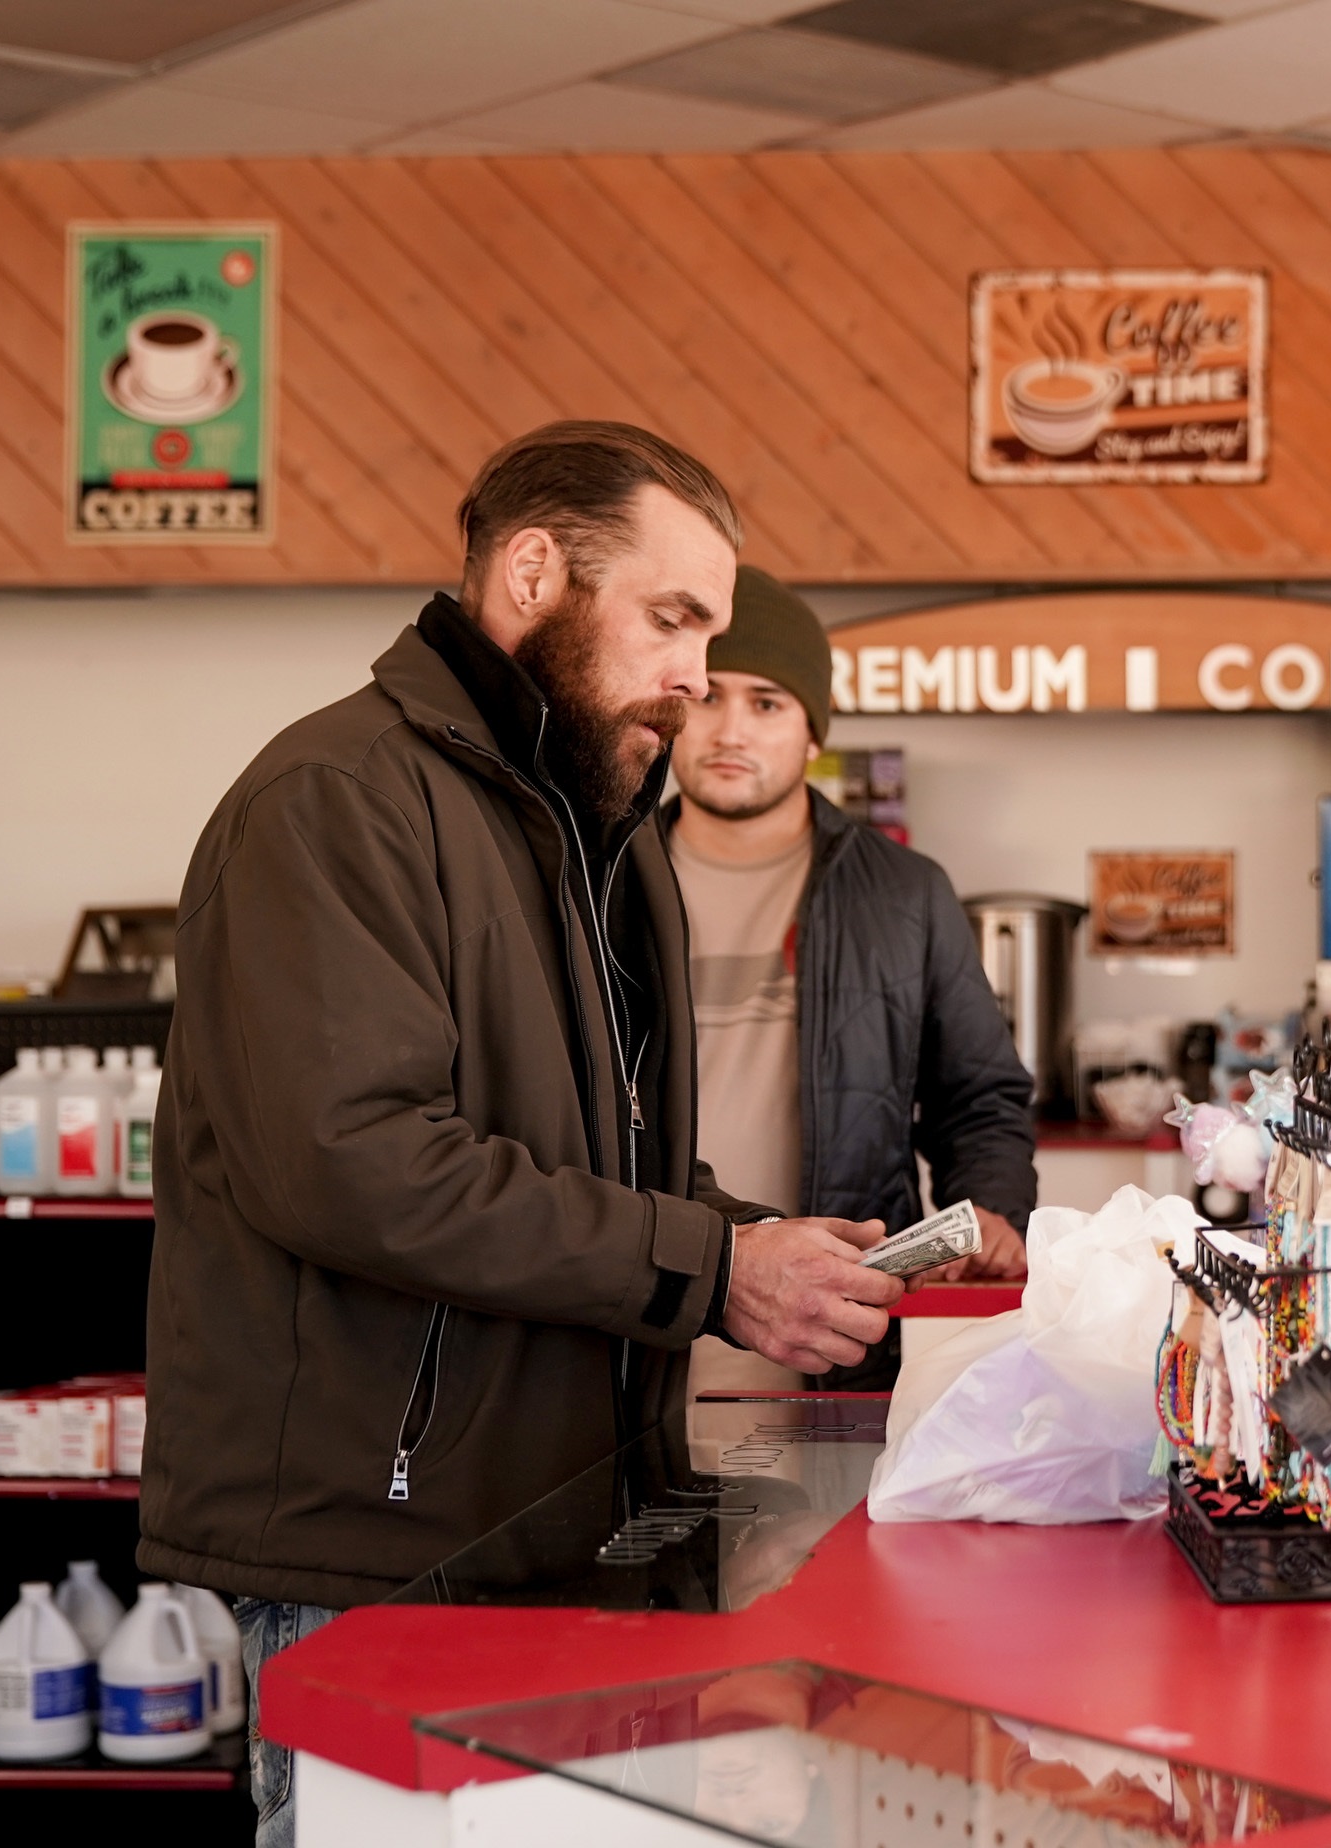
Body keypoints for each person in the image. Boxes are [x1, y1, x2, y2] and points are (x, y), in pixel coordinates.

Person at [143, 423, 904, 1847]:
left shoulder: (595, 834)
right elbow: (354, 1162)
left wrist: (754, 1244)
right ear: (533, 572)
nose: (696, 678)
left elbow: (595, 1163)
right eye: (672, 620)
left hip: (561, 1528)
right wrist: (711, 1271)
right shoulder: (337, 804)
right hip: (370, 1555)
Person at [663, 566, 1037, 1398]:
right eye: (706, 696)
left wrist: (988, 1212)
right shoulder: (598, 888)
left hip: (843, 1346)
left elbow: (978, 1098)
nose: (730, 728)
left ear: (810, 733)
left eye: (766, 703)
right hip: (637, 1338)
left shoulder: (905, 895)